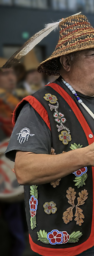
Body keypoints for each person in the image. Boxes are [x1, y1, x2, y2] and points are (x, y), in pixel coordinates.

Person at [4, 14, 94, 256]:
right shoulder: (40, 106)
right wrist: (84, 156)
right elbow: (24, 169)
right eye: (93, 55)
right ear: (67, 63)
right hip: (75, 239)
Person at [0, 57, 26, 256]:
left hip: (14, 173)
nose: (11, 77)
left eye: (12, 73)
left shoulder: (17, 101)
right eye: (4, 73)